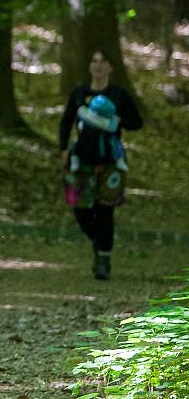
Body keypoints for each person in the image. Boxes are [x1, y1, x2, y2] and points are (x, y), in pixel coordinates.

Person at [59, 50, 143, 280]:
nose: (97, 66)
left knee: (105, 211)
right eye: (93, 61)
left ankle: (103, 261)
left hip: (111, 163)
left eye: (102, 61)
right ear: (89, 67)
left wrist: (116, 121)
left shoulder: (119, 94)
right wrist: (63, 150)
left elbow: (137, 122)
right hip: (82, 160)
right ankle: (98, 240)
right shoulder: (79, 94)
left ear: (110, 67)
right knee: (80, 208)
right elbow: (66, 122)